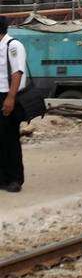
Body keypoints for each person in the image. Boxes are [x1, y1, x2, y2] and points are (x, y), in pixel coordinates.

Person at [0, 16, 27, 192]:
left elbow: (17, 73)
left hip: (8, 96)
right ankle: (2, 178)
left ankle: (15, 179)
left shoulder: (13, 46)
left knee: (10, 139)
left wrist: (10, 98)